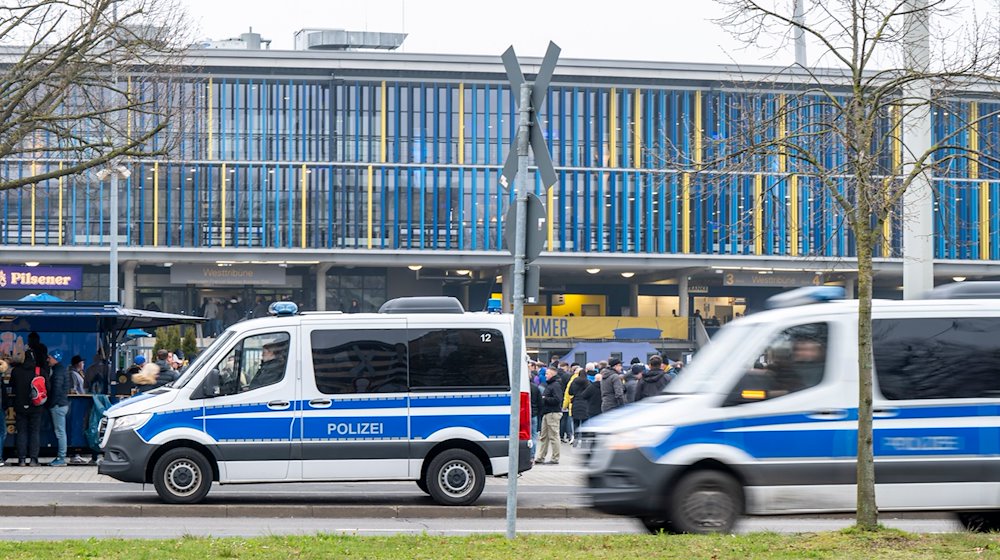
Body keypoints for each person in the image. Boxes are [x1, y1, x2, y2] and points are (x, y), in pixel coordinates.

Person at [10, 348, 42, 467]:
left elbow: (11, 386)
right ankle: (33, 460)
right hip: (36, 406)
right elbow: (47, 388)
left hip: (20, 406)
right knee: (34, 432)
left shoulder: (16, 371)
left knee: (21, 432)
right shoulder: (39, 371)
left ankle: (22, 459)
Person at [46, 350, 70, 466]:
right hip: (62, 403)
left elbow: (56, 388)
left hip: (58, 405)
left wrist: (51, 403)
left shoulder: (57, 371)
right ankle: (61, 456)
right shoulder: (61, 370)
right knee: (61, 431)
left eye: (49, 358)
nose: (48, 360)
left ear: (55, 358)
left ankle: (61, 457)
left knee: (60, 432)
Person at [536, 367, 563, 465]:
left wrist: (545, 398)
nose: (545, 375)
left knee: (554, 436)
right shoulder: (551, 385)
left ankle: (555, 458)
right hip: (547, 413)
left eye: (547, 374)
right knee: (544, 436)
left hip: (553, 413)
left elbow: (557, 399)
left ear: (552, 374)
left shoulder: (555, 385)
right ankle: (541, 457)